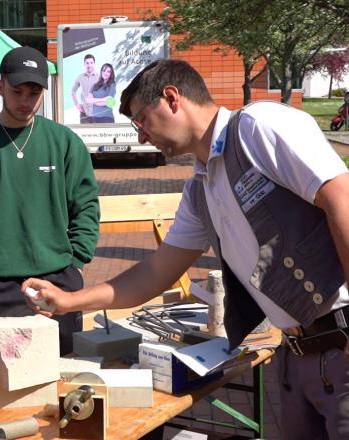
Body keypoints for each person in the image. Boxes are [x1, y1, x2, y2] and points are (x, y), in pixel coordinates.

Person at [22, 59, 349, 440]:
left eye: (142, 120)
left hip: (341, 344)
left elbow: (340, 197)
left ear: (172, 98)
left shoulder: (259, 126)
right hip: (296, 356)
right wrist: (70, 300)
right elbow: (155, 272)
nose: (142, 136)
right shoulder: (200, 186)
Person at [0, 46, 100, 371]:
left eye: (34, 91)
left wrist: (77, 265)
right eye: (17, 90)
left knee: (63, 389)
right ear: (0, 87)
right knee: (0, 397)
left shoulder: (65, 142)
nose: (25, 100)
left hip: (60, 284)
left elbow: (86, 207)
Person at [71, 54, 98, 124]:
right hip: (84, 112)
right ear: (84, 64)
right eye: (87, 63)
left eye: (91, 63)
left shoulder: (99, 77)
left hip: (97, 112)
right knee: (83, 133)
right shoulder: (80, 77)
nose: (89, 65)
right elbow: (73, 91)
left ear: (94, 64)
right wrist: (77, 104)